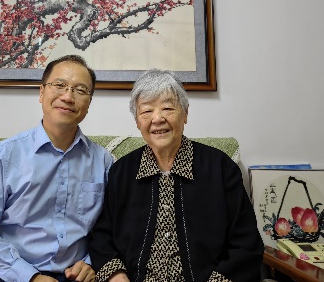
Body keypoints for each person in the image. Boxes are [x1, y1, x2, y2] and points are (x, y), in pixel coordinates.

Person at [88, 69, 264, 282]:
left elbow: (246, 243)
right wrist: (116, 275)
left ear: (185, 113)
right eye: (146, 111)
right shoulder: (122, 171)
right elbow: (102, 236)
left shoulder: (221, 168)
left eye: (168, 108)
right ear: (137, 121)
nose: (157, 118)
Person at [0, 55, 114, 282]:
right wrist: (29, 276)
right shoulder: (6, 154)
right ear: (42, 93)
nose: (68, 97)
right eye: (59, 85)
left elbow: (111, 228)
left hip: (74, 276)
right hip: (10, 273)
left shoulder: (104, 162)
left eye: (80, 90)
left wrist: (91, 262)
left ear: (89, 103)